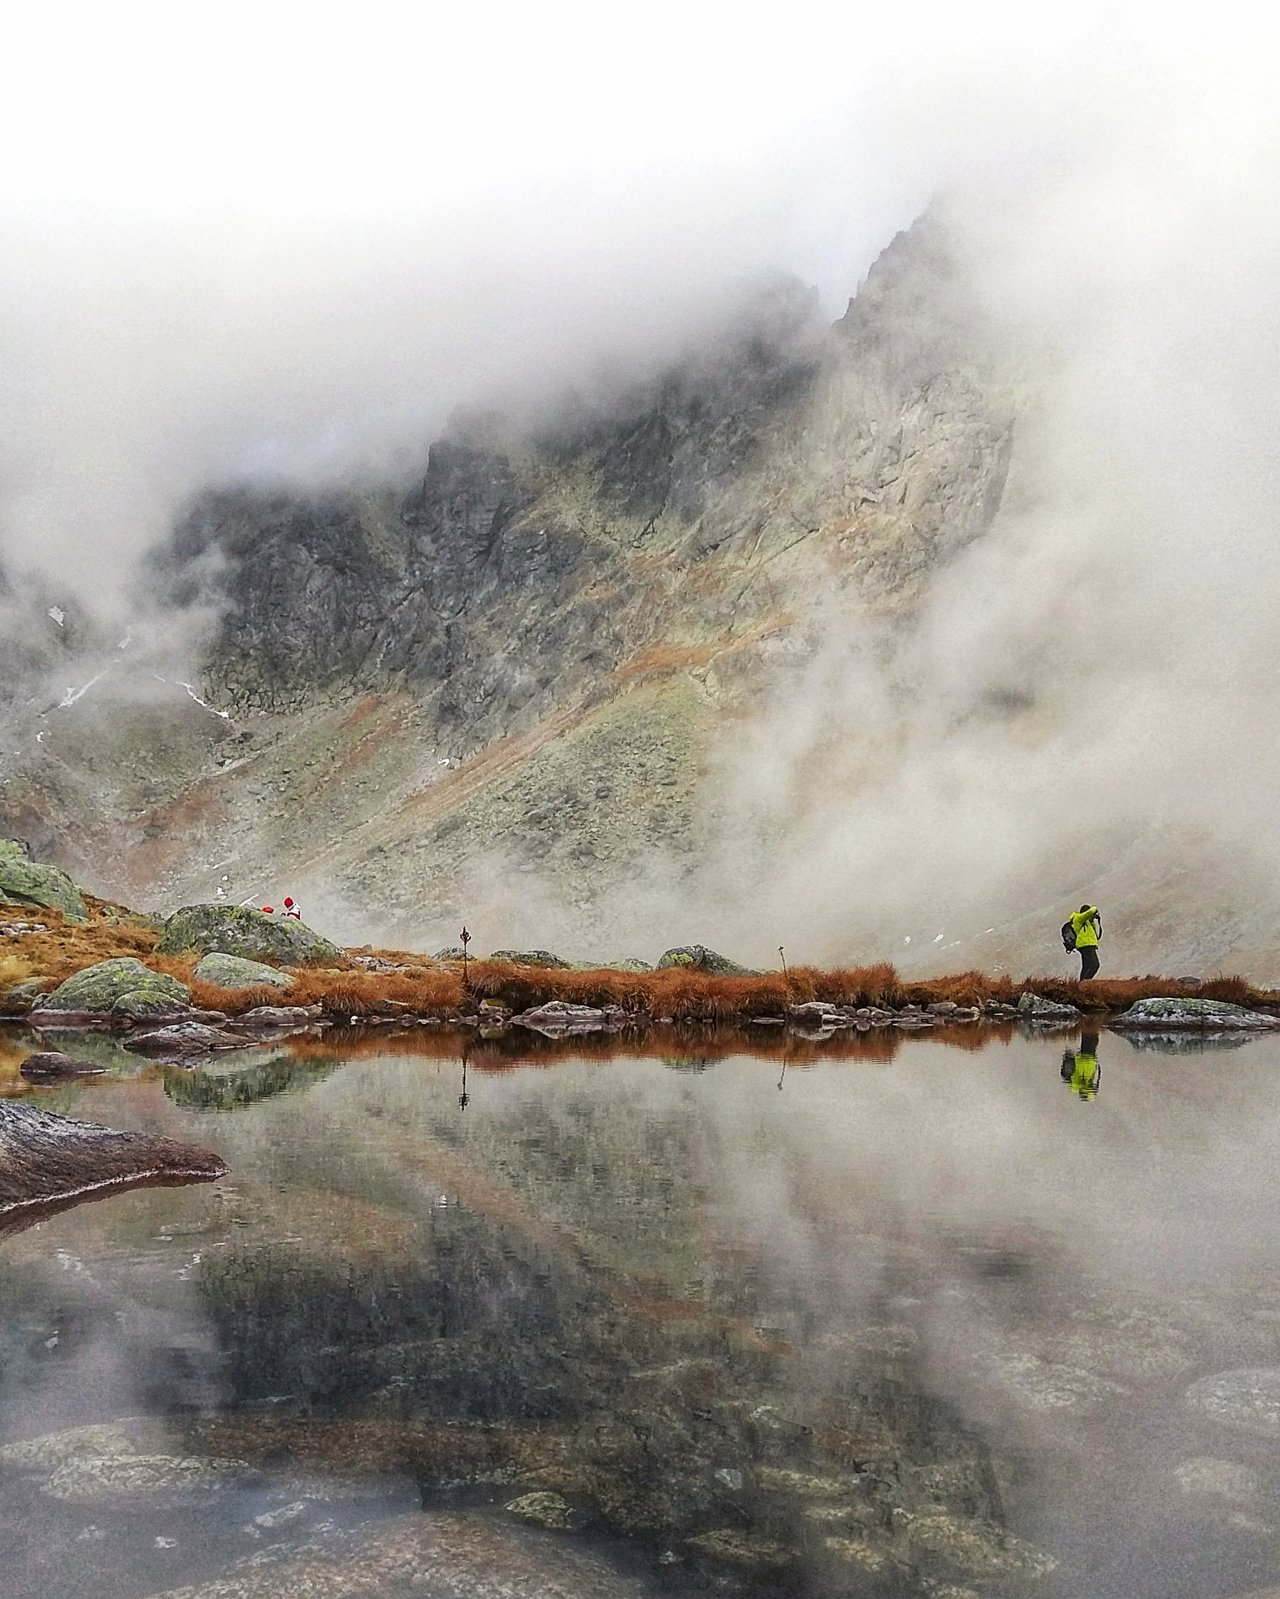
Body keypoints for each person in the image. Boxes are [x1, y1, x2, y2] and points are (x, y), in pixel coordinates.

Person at [1060, 1031, 1102, 1100]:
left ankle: (1089, 1026)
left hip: (1087, 1058)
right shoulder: (1076, 1085)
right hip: (1087, 1058)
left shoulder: (1076, 1084)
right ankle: (1089, 1027)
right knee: (1090, 1037)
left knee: (1090, 1036)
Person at [1067, 903, 1102, 979]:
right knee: (1095, 965)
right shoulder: (1078, 919)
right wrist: (1094, 909)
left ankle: (1082, 983)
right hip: (1086, 944)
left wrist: (1092, 920)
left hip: (1086, 945)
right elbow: (1090, 912)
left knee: (1086, 966)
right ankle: (1085, 982)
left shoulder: (1088, 922)